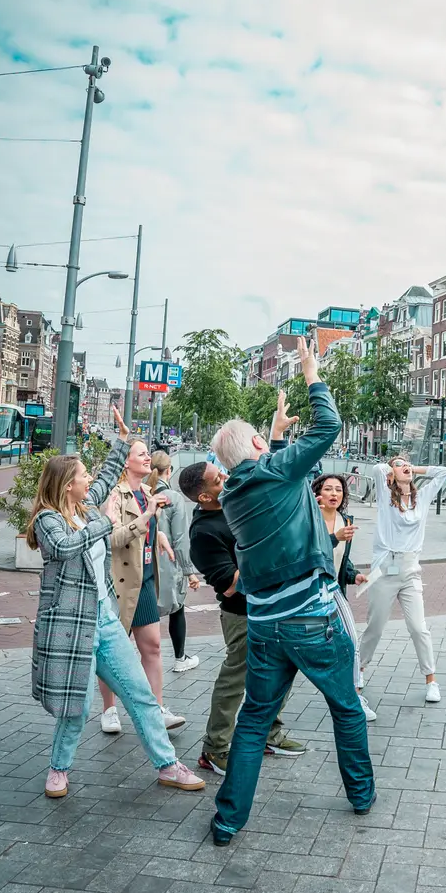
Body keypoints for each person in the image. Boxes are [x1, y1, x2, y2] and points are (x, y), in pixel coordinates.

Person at [209, 339, 375, 843]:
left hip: (264, 624)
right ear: (258, 449)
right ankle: (362, 795)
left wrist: (275, 437)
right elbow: (329, 427)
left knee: (255, 718)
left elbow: (277, 480)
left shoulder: (234, 493)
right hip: (310, 617)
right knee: (345, 705)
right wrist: (311, 373)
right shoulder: (272, 472)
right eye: (263, 438)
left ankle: (227, 820)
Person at [29, 406, 205, 798]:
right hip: (72, 625)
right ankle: (59, 769)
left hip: (105, 620)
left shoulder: (85, 507)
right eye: (81, 476)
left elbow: (108, 474)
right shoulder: (49, 519)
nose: (88, 479)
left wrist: (124, 441)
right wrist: (106, 522)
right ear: (65, 485)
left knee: (140, 693)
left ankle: (167, 764)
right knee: (76, 708)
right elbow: (62, 547)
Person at [178, 459, 306, 775]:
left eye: (221, 472)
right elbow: (231, 585)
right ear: (204, 496)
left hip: (275, 605)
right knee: (235, 679)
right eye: (217, 479)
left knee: (284, 671)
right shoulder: (204, 533)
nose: (225, 477)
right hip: (243, 614)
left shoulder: (234, 505)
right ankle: (215, 748)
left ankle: (269, 734)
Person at [98, 437, 187, 735]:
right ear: (126, 462)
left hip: (146, 578)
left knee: (153, 646)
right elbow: (111, 538)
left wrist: (159, 536)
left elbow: (151, 529)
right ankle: (109, 709)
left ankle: (157, 709)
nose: (148, 457)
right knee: (112, 650)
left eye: (148, 453)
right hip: (120, 583)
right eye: (141, 453)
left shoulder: (148, 491)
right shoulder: (114, 494)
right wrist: (148, 516)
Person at [358, 457, 446, 704]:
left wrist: (412, 468)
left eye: (407, 463)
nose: (405, 466)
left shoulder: (423, 498)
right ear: (391, 474)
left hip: (410, 570)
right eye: (399, 465)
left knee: (419, 627)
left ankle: (431, 680)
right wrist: (393, 468)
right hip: (385, 567)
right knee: (374, 627)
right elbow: (377, 469)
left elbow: (442, 471)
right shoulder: (385, 496)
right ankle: (359, 671)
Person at [311, 472, 375, 722]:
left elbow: (339, 562)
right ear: (318, 493)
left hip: (333, 589)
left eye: (338, 489)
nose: (334, 494)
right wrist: (334, 538)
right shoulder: (309, 519)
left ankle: (355, 695)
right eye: (328, 489)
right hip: (308, 592)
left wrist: (353, 575)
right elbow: (311, 553)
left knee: (350, 639)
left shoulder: (345, 520)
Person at [147, 450, 201, 674]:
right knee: (177, 609)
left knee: (140, 614)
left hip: (144, 564)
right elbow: (180, 539)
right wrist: (190, 571)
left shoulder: (143, 493)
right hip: (168, 564)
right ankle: (180, 658)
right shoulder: (173, 498)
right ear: (169, 470)